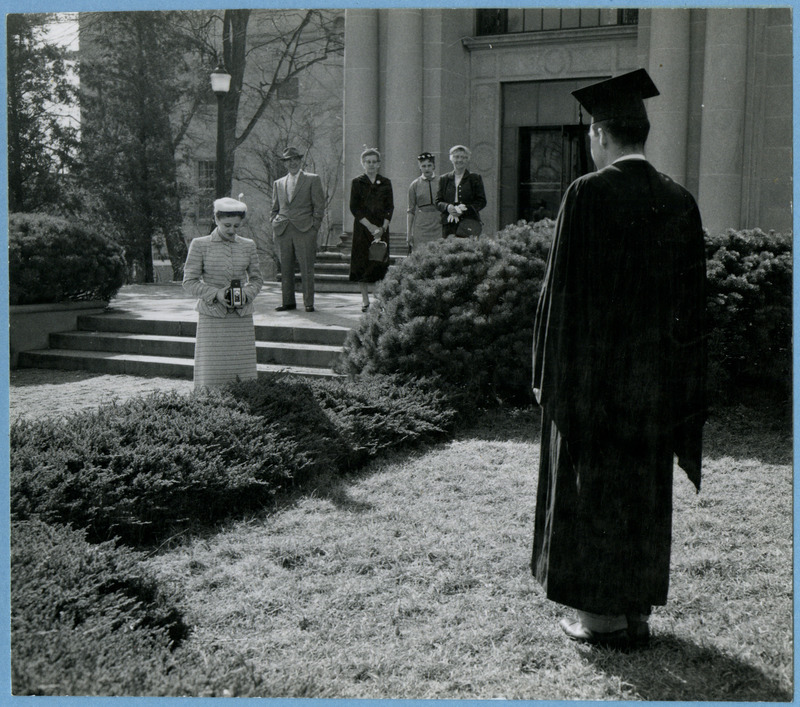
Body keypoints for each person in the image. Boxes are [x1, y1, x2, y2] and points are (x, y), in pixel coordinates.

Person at [531, 69, 707, 648]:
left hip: (595, 383)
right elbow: (692, 311)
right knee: (642, 491)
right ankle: (635, 609)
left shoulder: (587, 194)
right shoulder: (681, 201)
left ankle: (601, 618)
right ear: (643, 134)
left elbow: (561, 296)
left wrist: (547, 376)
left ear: (600, 134)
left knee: (595, 489)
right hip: (653, 384)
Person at [183, 195, 263, 390]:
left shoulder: (248, 245)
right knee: (212, 374)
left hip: (240, 317)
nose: (232, 230)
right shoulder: (200, 244)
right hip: (212, 317)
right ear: (216, 219)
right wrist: (216, 294)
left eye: (236, 226)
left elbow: (257, 279)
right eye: (227, 225)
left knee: (242, 375)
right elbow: (189, 282)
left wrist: (247, 294)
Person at [271, 146, 325, 312]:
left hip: (305, 229)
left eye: (295, 159)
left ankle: (308, 302)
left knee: (306, 267)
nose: (292, 163)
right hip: (283, 230)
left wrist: (314, 227)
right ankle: (288, 302)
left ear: (300, 161)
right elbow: (275, 207)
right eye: (288, 160)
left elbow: (319, 205)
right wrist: (274, 222)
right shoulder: (278, 183)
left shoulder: (312, 179)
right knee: (285, 267)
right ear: (285, 164)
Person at [348, 147, 394, 312]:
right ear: (363, 163)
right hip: (363, 228)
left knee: (379, 264)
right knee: (362, 264)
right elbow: (354, 208)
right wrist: (370, 226)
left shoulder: (386, 182)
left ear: (379, 164)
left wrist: (383, 228)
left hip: (381, 230)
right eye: (368, 162)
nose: (371, 165)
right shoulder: (357, 182)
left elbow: (390, 207)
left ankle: (379, 300)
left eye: (374, 162)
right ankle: (365, 300)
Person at [436, 145, 486, 238]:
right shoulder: (444, 179)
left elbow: (481, 201)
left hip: (469, 222)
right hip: (449, 223)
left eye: (463, 157)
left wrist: (464, 209)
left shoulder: (474, 178)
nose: (460, 160)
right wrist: (448, 207)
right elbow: (438, 201)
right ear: (451, 158)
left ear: (467, 160)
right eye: (456, 157)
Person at [406, 152, 441, 252]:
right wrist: (409, 233)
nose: (426, 169)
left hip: (438, 224)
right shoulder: (415, 185)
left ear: (434, 166)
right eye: (423, 166)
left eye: (429, 165)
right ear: (419, 167)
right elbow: (410, 211)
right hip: (421, 226)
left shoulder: (441, 181)